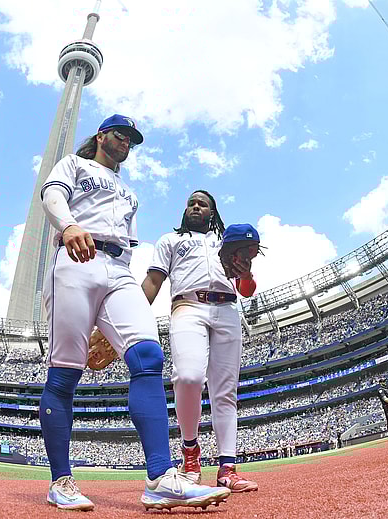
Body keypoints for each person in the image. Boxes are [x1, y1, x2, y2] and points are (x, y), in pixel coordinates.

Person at [39, 115, 231, 512]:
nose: (126, 141)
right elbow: (51, 195)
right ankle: (61, 480)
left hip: (119, 267)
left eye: (131, 138)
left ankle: (160, 478)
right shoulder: (75, 164)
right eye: (120, 134)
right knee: (66, 372)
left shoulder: (129, 193)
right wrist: (69, 224)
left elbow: (126, 241)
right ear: (101, 135)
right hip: (76, 259)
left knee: (148, 356)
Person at [141, 191, 259, 493]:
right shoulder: (171, 240)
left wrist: (246, 273)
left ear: (212, 212)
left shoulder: (228, 244)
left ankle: (227, 468)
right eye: (191, 202)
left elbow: (247, 289)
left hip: (227, 310)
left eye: (202, 203)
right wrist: (134, 317)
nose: (195, 206)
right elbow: (154, 281)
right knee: (188, 376)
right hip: (187, 306)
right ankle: (190, 452)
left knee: (225, 392)